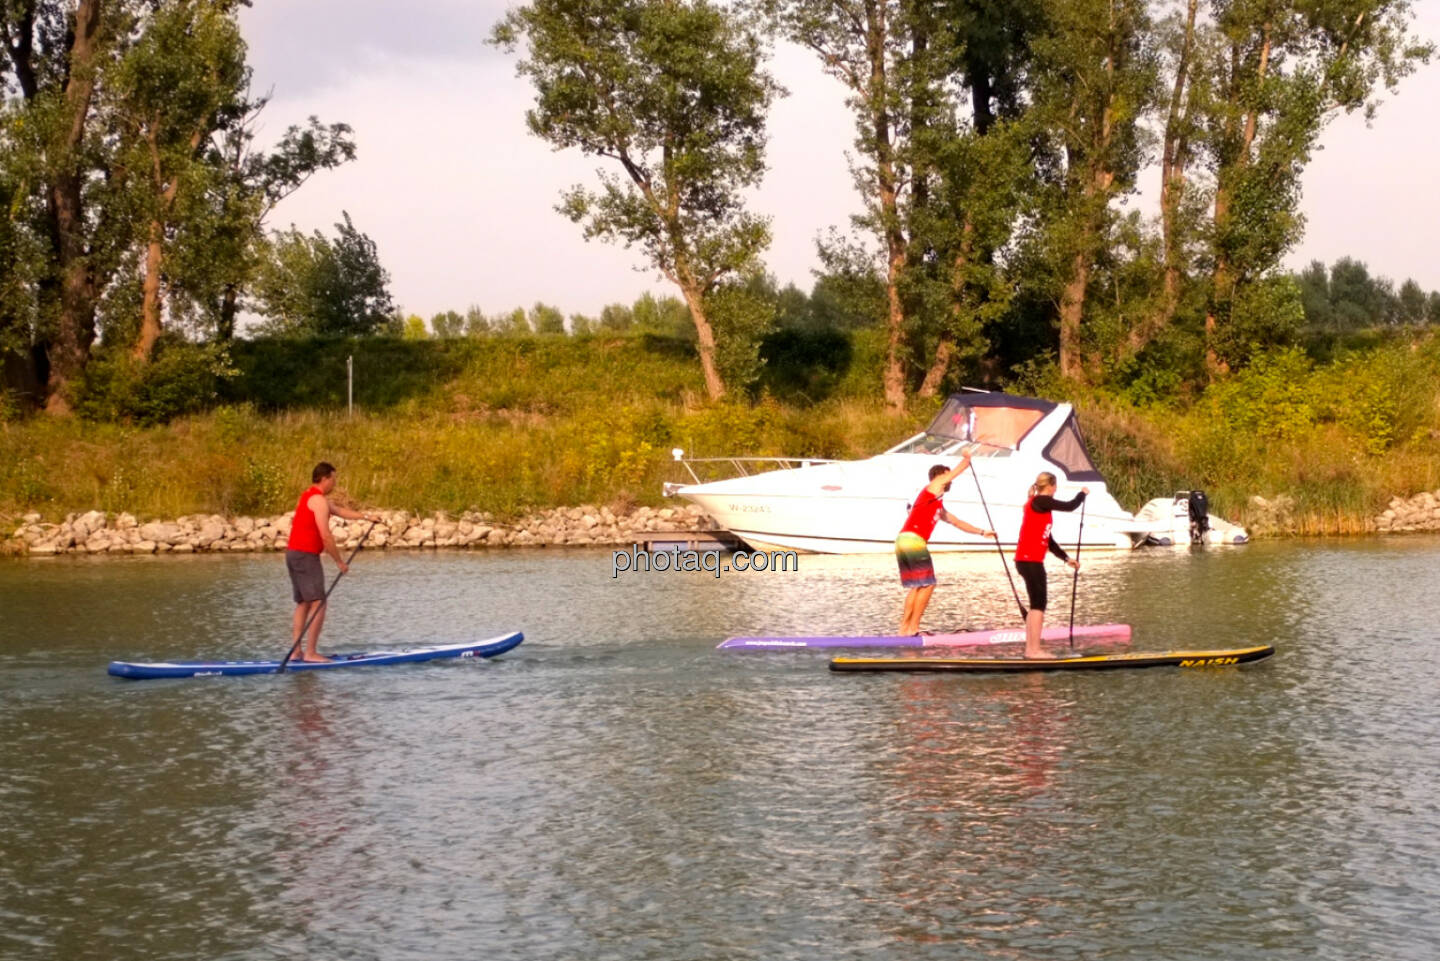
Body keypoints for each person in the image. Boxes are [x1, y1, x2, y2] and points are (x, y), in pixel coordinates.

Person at [285, 462, 382, 663]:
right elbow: (325, 535)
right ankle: (310, 653)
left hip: (293, 553)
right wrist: (339, 561)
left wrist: (367, 517)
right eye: (334, 479)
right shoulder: (318, 501)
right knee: (319, 602)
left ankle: (296, 652)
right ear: (325, 478)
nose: (335, 483)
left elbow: (341, 511)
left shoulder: (309, 496)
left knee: (303, 603)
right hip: (305, 555)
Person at [896, 456, 996, 636]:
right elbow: (957, 471)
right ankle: (913, 628)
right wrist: (967, 457)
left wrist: (982, 532)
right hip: (914, 540)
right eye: (947, 476)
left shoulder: (936, 504)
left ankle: (904, 629)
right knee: (929, 584)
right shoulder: (934, 485)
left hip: (903, 540)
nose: (950, 481)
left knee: (917, 585)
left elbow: (957, 522)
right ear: (941, 475)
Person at [1013, 472, 1087, 659]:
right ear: (1052, 486)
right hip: (1030, 561)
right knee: (1039, 605)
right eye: (1056, 486)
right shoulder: (1041, 501)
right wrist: (1082, 494)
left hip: (1027, 560)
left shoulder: (1039, 507)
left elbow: (1049, 541)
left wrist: (1066, 558)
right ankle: (1034, 650)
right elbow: (1070, 506)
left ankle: (1030, 650)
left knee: (1035, 605)